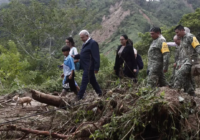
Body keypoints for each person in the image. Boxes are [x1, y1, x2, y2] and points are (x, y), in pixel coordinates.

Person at [73, 30, 102, 100]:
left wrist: (96, 68)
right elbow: (83, 55)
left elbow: (96, 56)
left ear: (87, 36)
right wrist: (75, 56)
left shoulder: (93, 43)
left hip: (89, 66)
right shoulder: (85, 44)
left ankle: (79, 97)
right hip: (86, 66)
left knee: (84, 81)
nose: (81, 39)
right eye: (80, 37)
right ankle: (100, 94)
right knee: (93, 81)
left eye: (82, 37)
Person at [173, 25, 200, 96]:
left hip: (192, 60)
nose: (177, 34)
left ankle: (175, 91)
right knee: (186, 77)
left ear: (182, 30)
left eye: (177, 32)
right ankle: (191, 93)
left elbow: (197, 46)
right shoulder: (182, 38)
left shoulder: (190, 37)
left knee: (179, 73)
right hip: (185, 60)